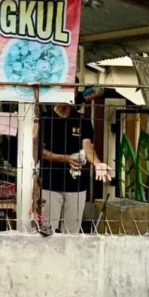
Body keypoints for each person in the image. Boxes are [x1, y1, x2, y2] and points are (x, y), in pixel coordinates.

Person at [38, 93, 111, 235]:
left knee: (72, 234)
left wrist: (97, 163)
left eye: (73, 91)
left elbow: (88, 147)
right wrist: (66, 158)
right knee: (46, 231)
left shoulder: (82, 120)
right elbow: (39, 151)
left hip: (77, 187)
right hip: (50, 184)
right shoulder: (45, 119)